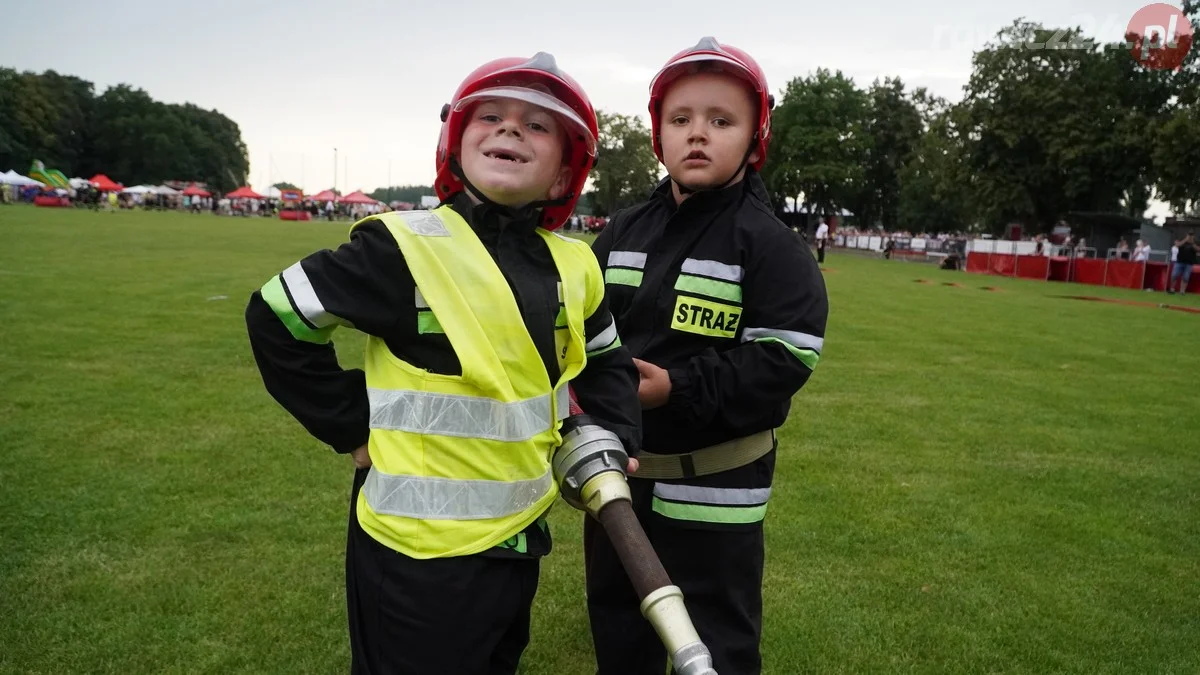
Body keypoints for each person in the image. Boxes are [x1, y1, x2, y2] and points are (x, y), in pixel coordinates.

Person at [245, 52, 642, 675]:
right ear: (454, 147)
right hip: (414, 556)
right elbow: (276, 315)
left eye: (539, 126)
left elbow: (606, 361)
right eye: (491, 116)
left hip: (519, 539)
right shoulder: (400, 245)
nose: (511, 129)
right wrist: (349, 423)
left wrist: (614, 433)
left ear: (567, 173)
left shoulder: (576, 264)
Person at [584, 37, 829, 675]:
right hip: (621, 481)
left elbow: (786, 359)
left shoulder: (770, 245)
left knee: (718, 643)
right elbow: (576, 322)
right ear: (657, 135)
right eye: (681, 119)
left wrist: (679, 386)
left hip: (717, 488)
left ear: (755, 139)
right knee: (620, 629)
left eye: (721, 121)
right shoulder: (622, 230)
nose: (698, 134)